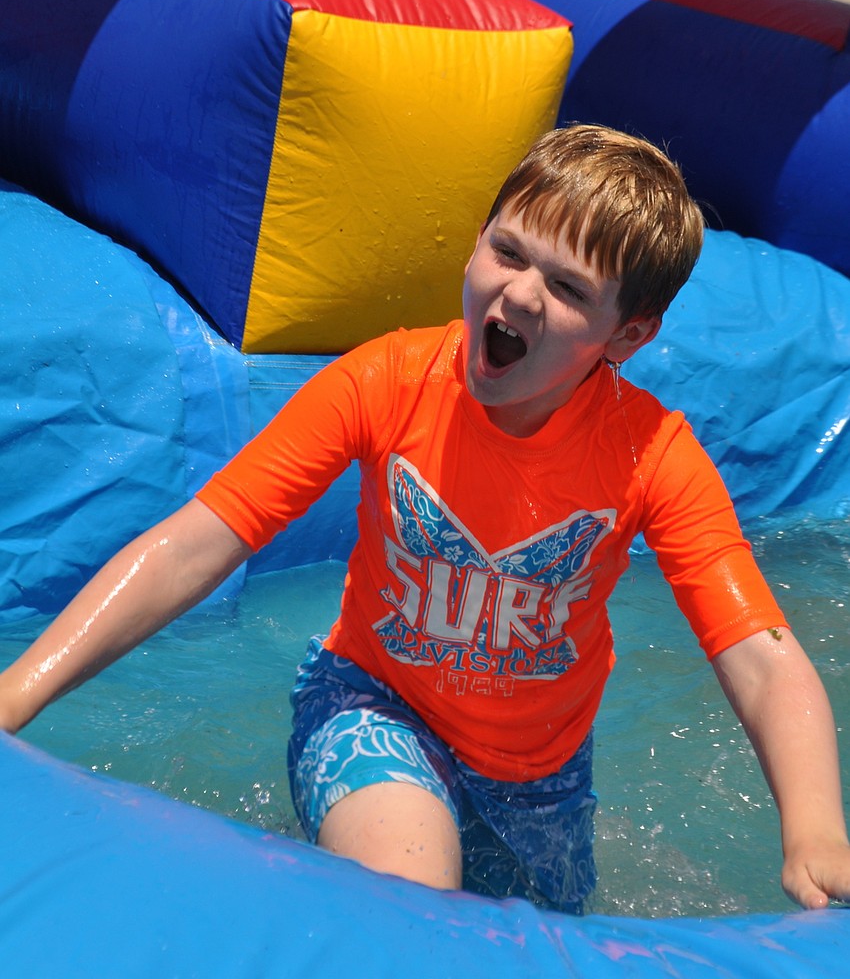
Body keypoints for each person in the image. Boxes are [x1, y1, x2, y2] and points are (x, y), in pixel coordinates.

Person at [1, 124, 848, 913]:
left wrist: (815, 833)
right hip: (371, 707)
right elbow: (200, 540)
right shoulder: (385, 382)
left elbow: (762, 659)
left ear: (626, 335)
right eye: (507, 250)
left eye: (566, 287)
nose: (518, 294)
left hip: (540, 783)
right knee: (415, 897)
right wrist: (17, 691)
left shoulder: (651, 456)